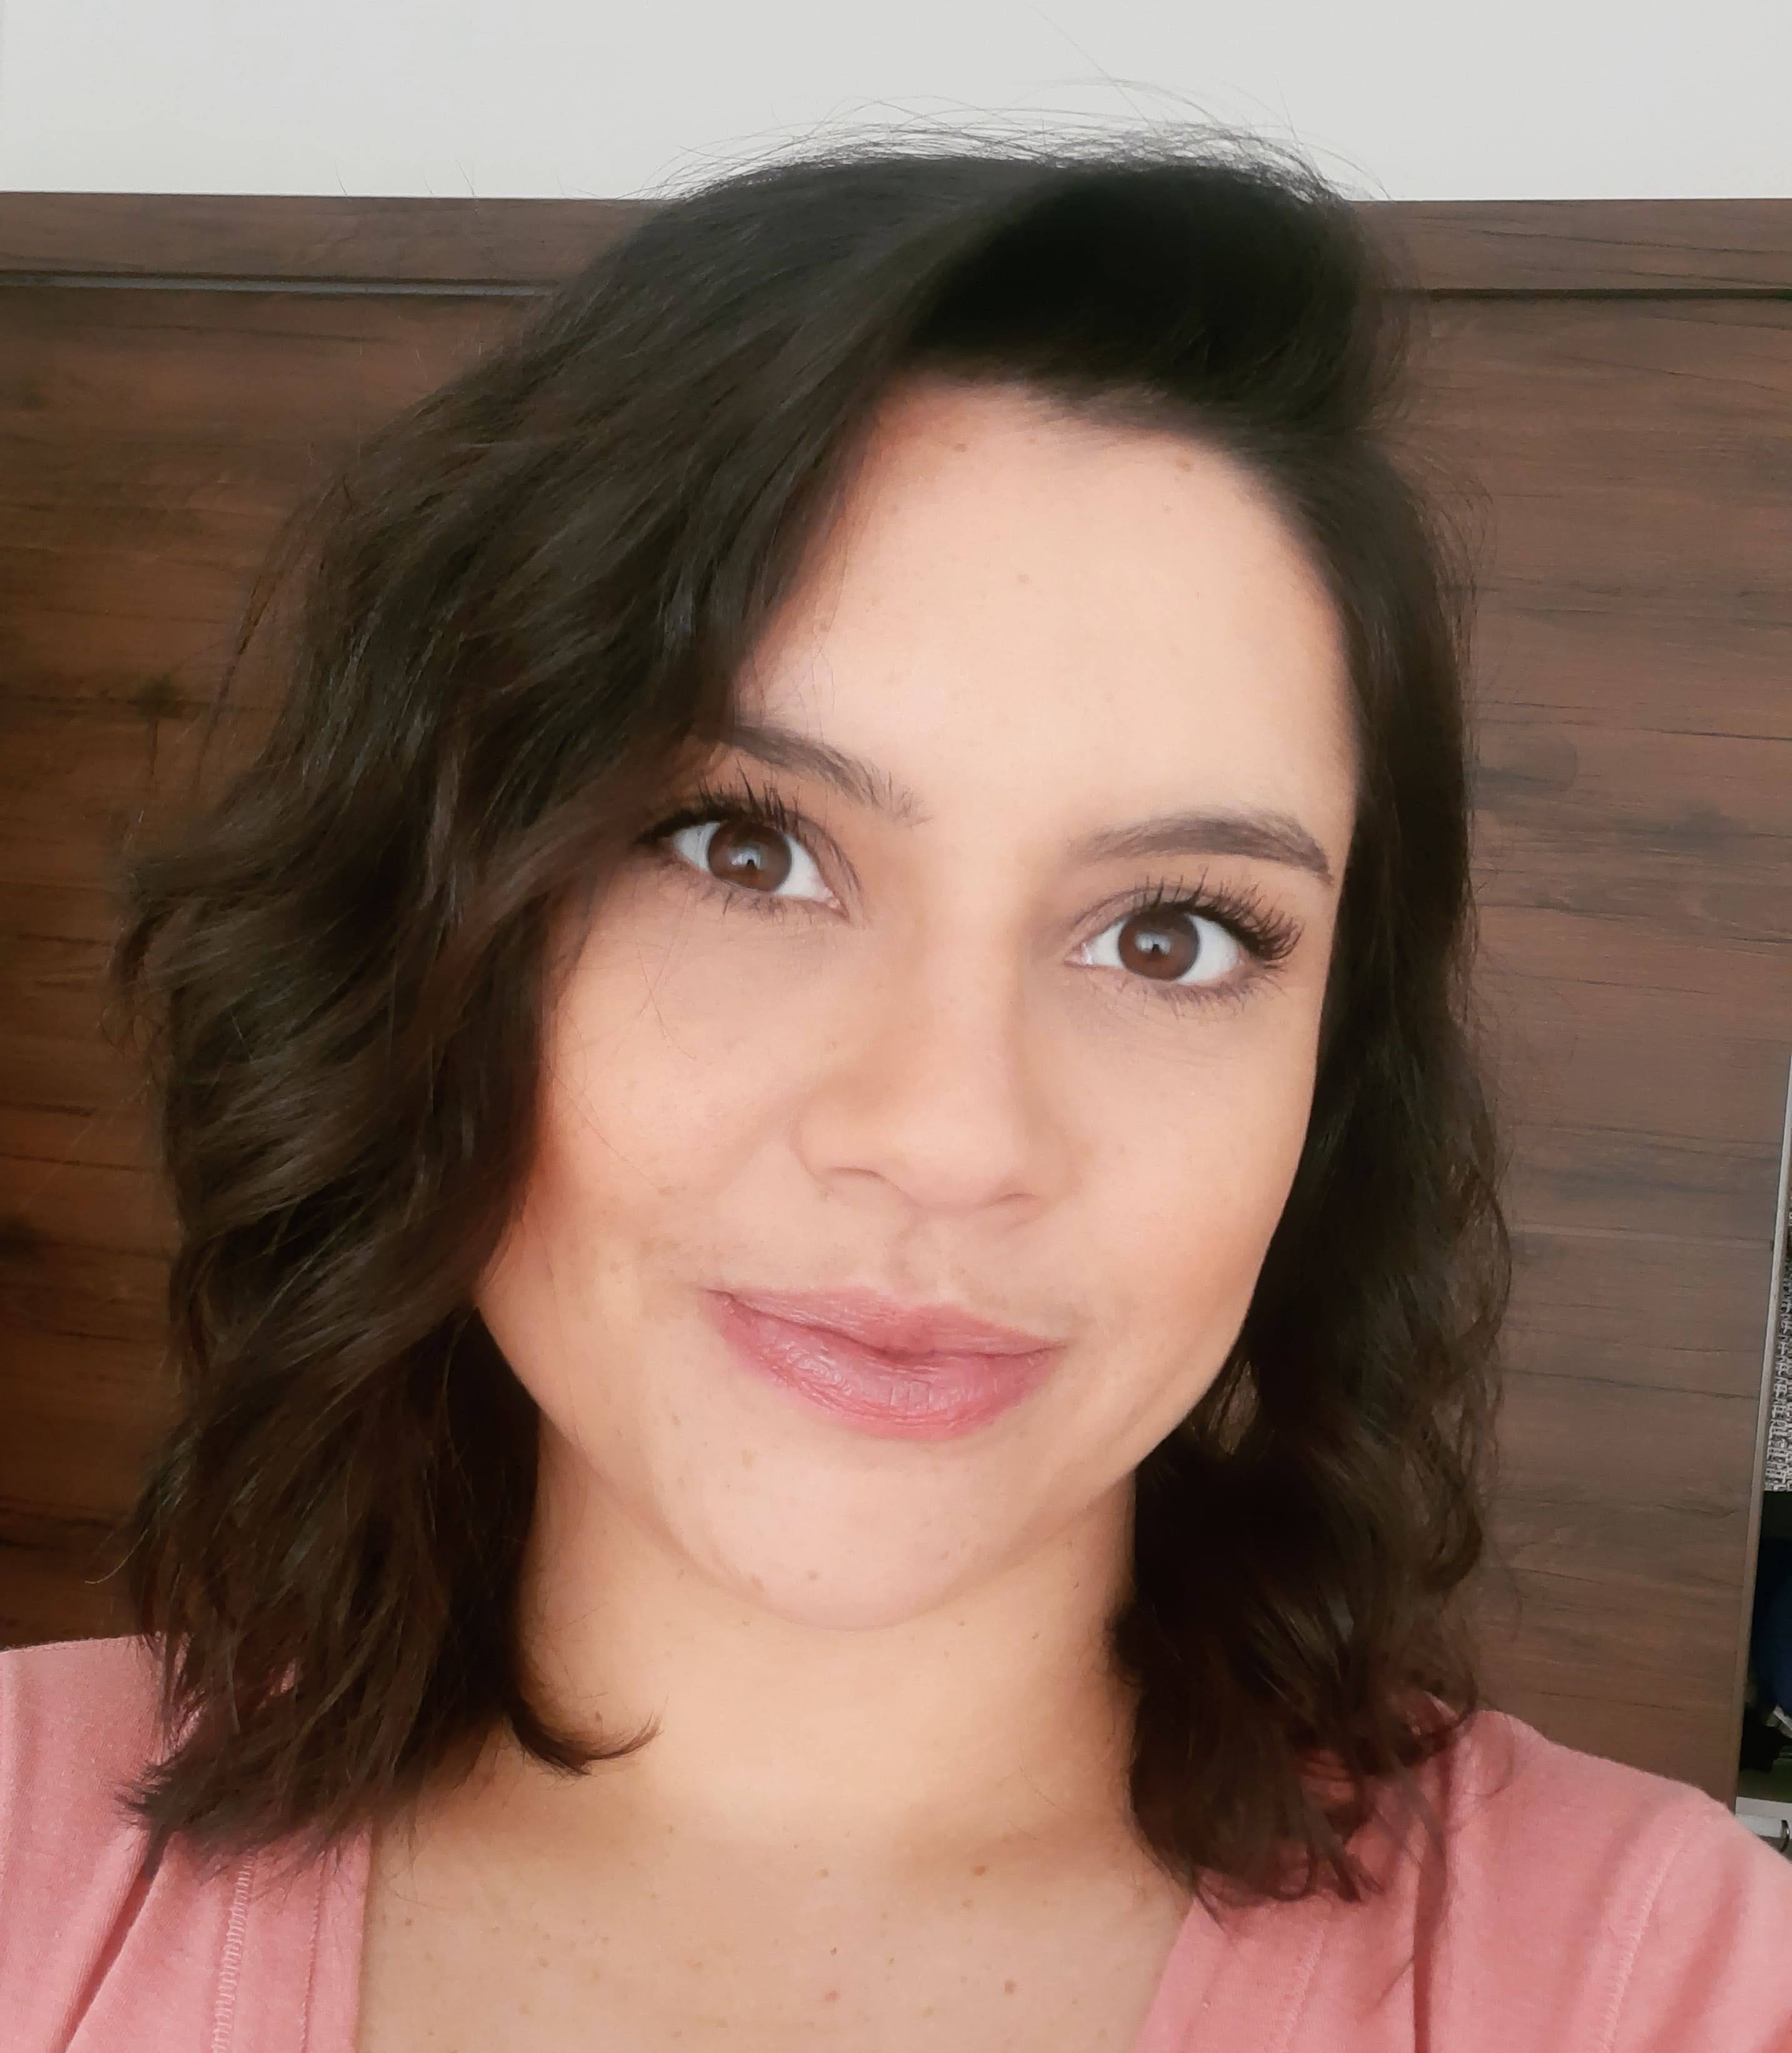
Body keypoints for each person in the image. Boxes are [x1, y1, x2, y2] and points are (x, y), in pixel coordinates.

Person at [4, 132, 1790, 2053]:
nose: (949, 1135)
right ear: (428, 938)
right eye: (744, 849)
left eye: (1171, 936)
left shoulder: (1679, 1982)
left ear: (1324, 1095)